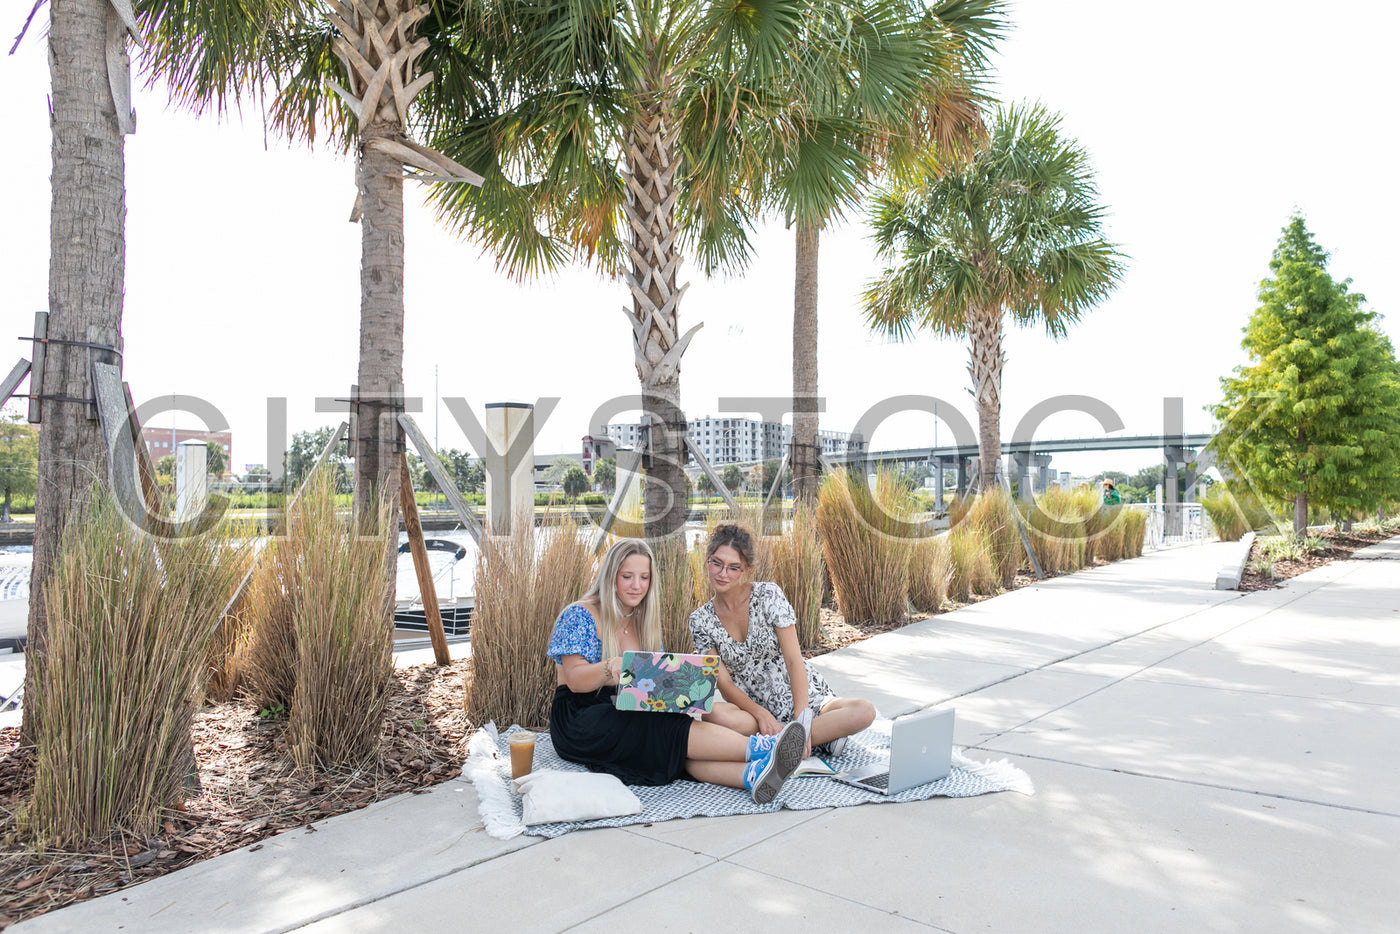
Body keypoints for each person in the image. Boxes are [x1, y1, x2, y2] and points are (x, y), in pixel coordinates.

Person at [546, 537, 806, 804]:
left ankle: (751, 775)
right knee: (662, 730)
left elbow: (651, 684)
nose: (637, 586)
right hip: (580, 718)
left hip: (625, 707)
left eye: (644, 578)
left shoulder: (641, 621)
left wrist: (681, 687)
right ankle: (764, 749)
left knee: (670, 743)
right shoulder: (581, 615)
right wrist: (610, 668)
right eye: (627, 576)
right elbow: (575, 681)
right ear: (610, 576)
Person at [689, 523, 875, 758]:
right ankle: (817, 740)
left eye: (733, 567)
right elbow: (724, 685)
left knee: (863, 711)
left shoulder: (768, 595)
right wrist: (760, 714)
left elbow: (793, 659)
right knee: (712, 713)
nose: (723, 573)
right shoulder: (700, 620)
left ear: (747, 569)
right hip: (755, 710)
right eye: (717, 563)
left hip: (803, 696)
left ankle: (791, 739)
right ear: (707, 560)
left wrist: (802, 722)